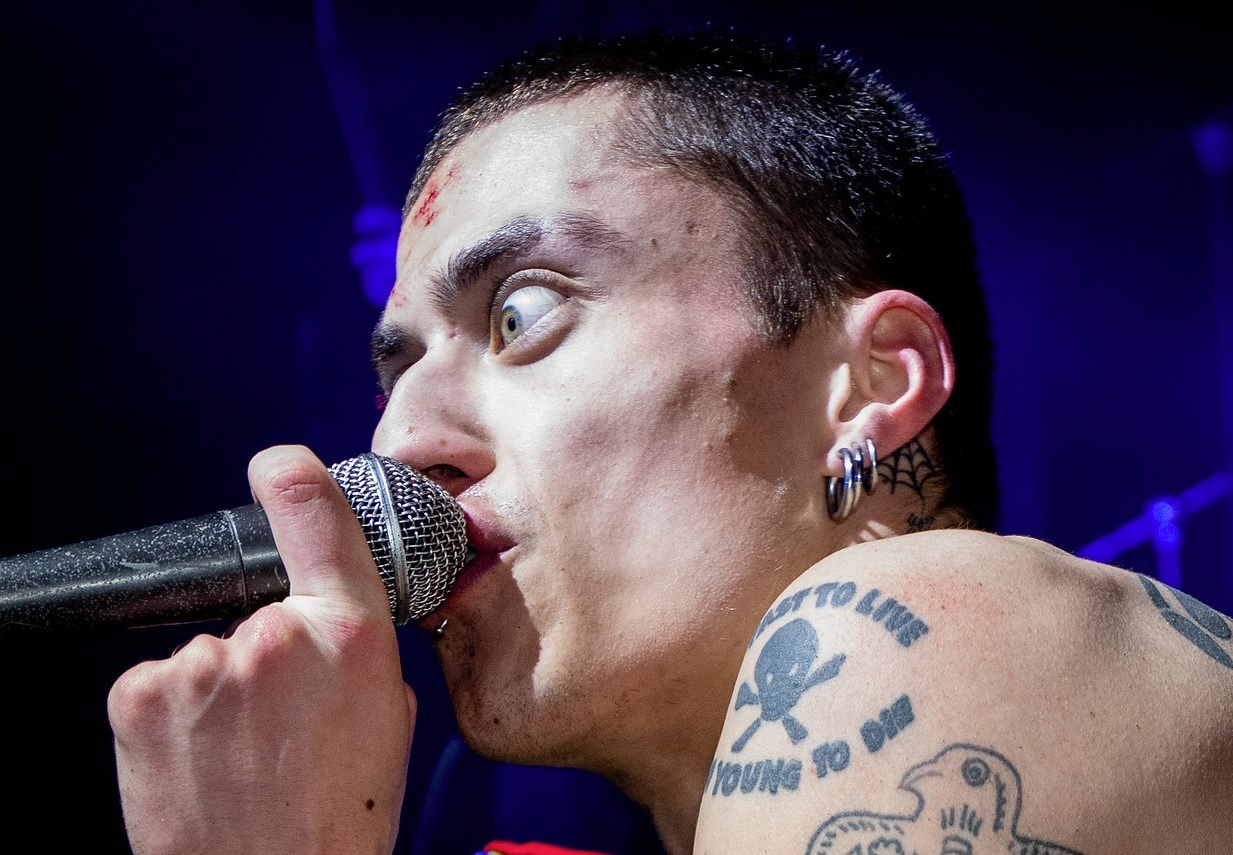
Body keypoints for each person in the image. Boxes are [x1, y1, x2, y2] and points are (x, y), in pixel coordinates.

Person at [105, 29, 1233, 855]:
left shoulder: (917, 624)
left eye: (521, 315)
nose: (396, 442)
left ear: (872, 380)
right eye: (396, 371)